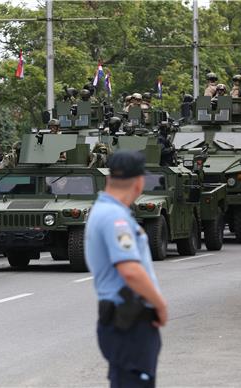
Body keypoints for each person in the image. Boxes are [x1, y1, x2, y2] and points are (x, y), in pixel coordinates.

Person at [85, 150, 167, 388]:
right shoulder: (115, 217)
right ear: (139, 182)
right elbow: (130, 270)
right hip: (130, 323)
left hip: (122, 322)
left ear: (109, 178)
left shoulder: (103, 210)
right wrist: (160, 305)